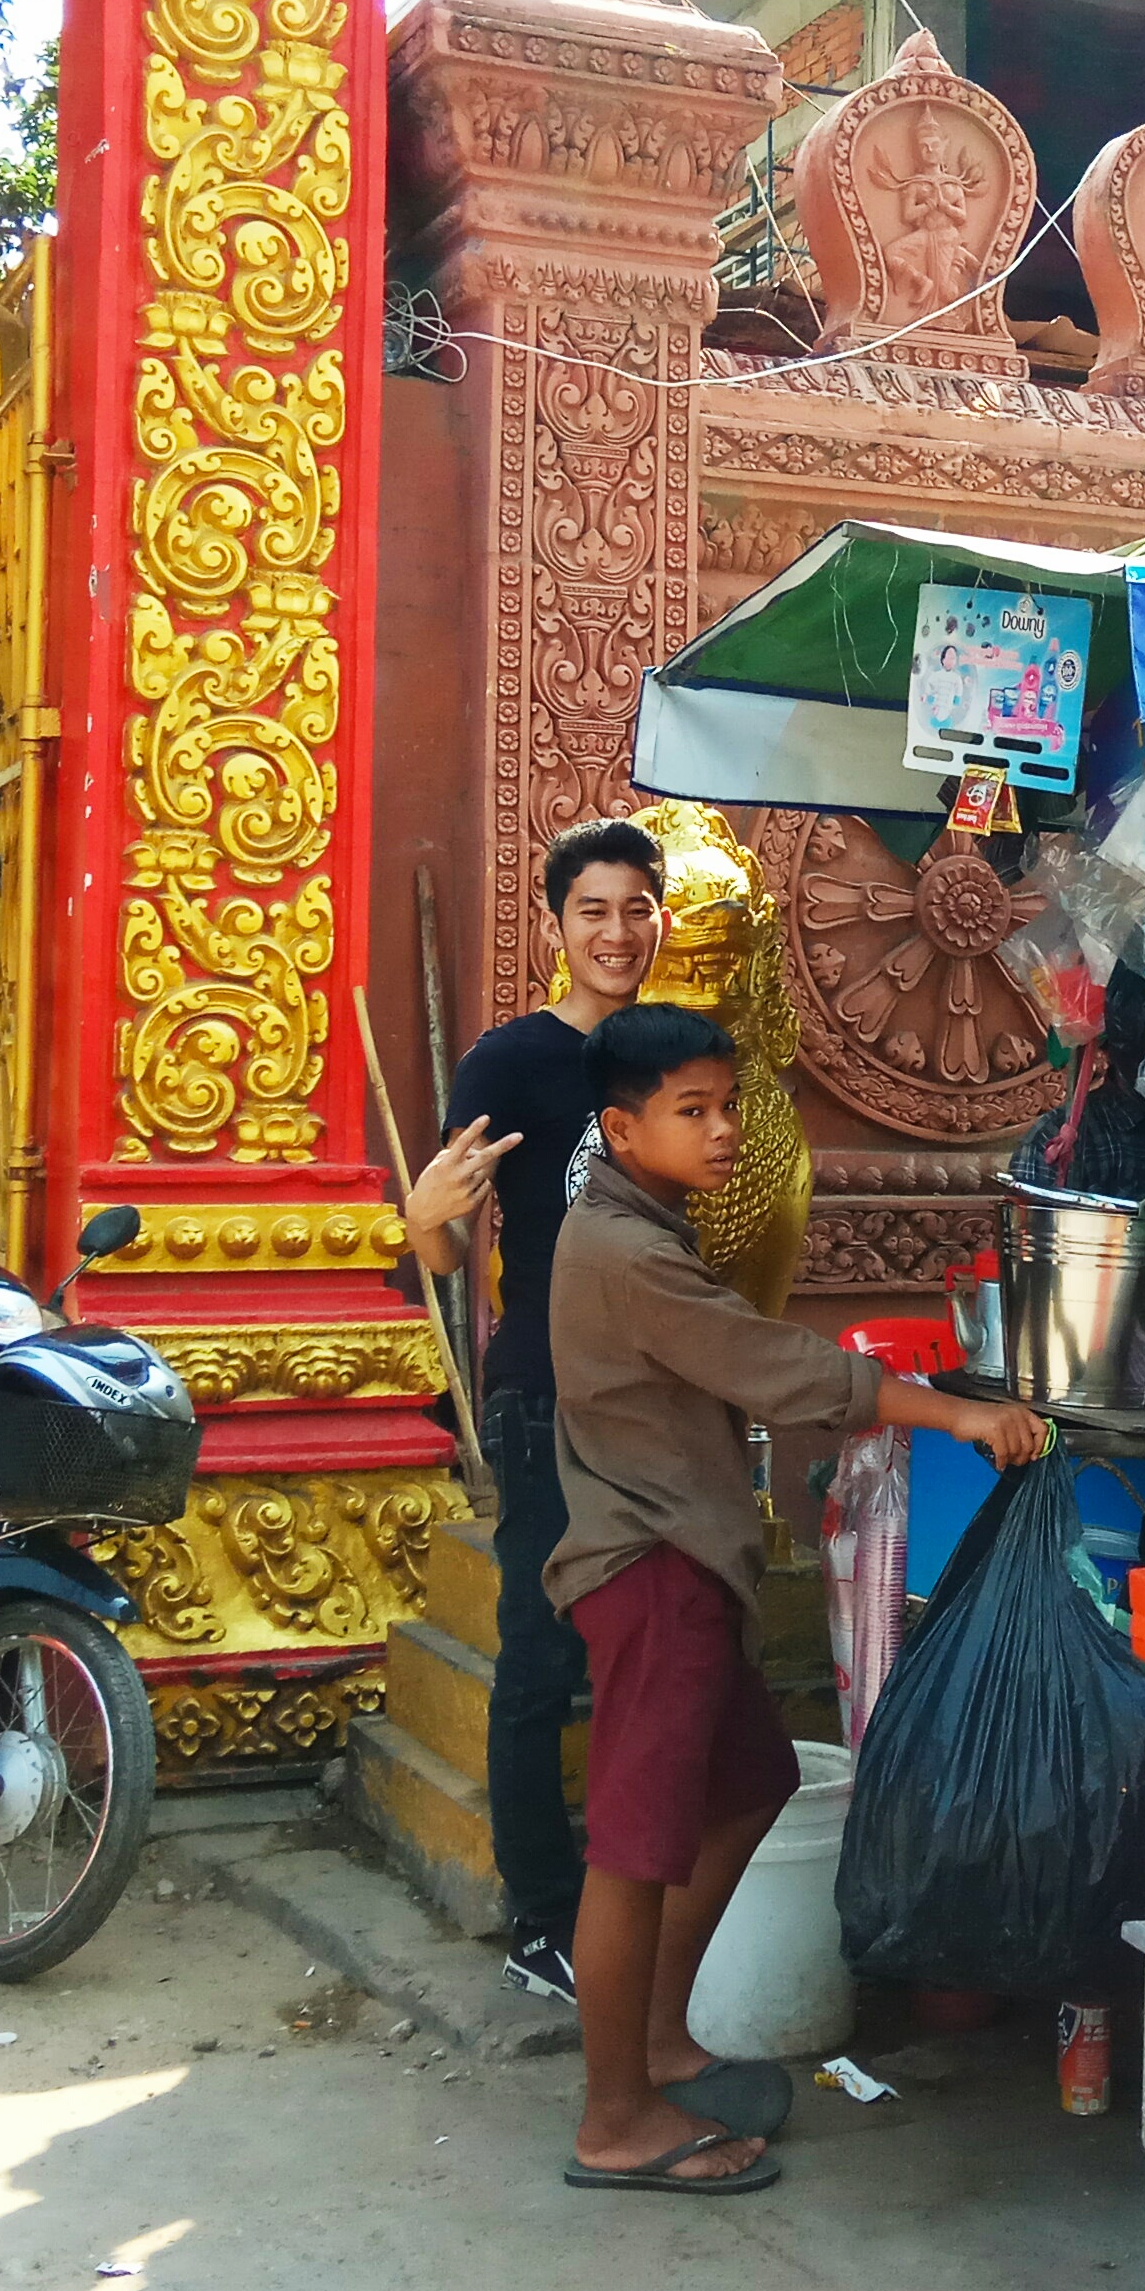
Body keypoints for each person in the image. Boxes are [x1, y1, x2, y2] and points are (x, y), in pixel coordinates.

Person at [545, 1004, 1043, 2193]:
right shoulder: (623, 1253)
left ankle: (662, 2038)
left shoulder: (637, 1222)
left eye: (727, 1107)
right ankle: (610, 2118)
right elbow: (789, 1367)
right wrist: (959, 1411)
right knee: (629, 1850)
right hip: (650, 1568)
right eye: (692, 1112)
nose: (723, 1133)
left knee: (752, 1784)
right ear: (621, 1129)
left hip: (688, 1556)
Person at [398, 815, 669, 2009]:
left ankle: (635, 1901)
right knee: (539, 1658)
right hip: (544, 1394)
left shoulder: (677, 1056)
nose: (617, 933)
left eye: (635, 909)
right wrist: (420, 1215)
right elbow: (451, 1243)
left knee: (652, 1656)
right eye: (593, 912)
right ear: (556, 928)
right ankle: (542, 1918)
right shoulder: (508, 1065)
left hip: (660, 1401)